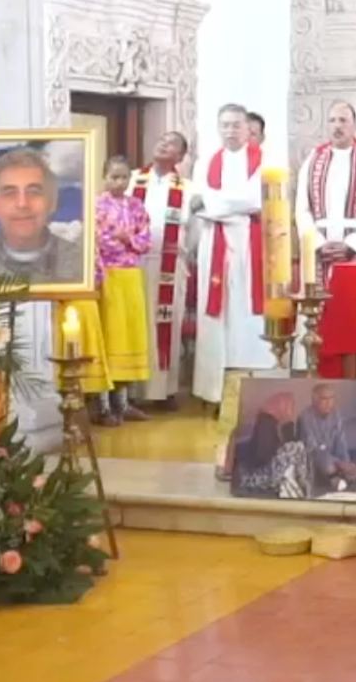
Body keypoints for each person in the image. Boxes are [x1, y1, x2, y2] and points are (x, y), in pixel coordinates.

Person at [191, 104, 274, 405]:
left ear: (246, 127)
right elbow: (197, 198)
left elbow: (254, 200)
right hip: (215, 243)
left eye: (236, 125)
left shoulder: (263, 159)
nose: (230, 130)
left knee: (246, 310)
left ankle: (251, 383)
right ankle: (215, 390)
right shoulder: (206, 162)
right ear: (218, 127)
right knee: (216, 312)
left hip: (250, 243)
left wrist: (216, 203)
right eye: (224, 125)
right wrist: (224, 205)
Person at [295, 101, 356, 286]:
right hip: (320, 248)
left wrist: (353, 245)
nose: (337, 125)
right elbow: (302, 209)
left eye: (343, 120)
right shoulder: (314, 157)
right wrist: (318, 244)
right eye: (332, 120)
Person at [0, 145, 85, 285]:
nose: (22, 204)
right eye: (9, 193)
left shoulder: (82, 264)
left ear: (52, 202)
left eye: (34, 192)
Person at [130, 132, 191, 406]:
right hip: (135, 263)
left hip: (169, 264)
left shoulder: (188, 188)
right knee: (135, 323)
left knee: (167, 324)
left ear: (179, 157)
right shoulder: (132, 179)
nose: (163, 144)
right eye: (161, 139)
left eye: (171, 144)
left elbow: (196, 230)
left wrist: (183, 248)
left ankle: (163, 391)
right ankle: (131, 392)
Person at [94, 155, 153, 424]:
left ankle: (125, 402)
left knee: (130, 336)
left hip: (131, 277)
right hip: (108, 276)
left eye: (124, 177)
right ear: (104, 177)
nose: (119, 182)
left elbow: (145, 239)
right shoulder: (97, 205)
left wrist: (127, 238)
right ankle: (104, 405)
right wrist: (123, 242)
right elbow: (99, 240)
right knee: (110, 336)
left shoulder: (137, 205)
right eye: (114, 176)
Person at [230, 389, 308, 499]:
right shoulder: (266, 422)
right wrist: (288, 426)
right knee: (298, 448)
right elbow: (263, 456)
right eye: (290, 406)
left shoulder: (271, 423)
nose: (292, 411)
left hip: (258, 478)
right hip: (258, 480)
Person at [296, 383, 356, 492]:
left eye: (331, 398)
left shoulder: (336, 414)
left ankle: (343, 479)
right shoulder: (305, 417)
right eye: (324, 399)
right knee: (326, 462)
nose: (329, 403)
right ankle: (338, 480)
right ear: (314, 400)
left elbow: (341, 442)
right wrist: (339, 463)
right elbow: (312, 449)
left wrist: (347, 463)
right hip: (313, 460)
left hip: (334, 460)